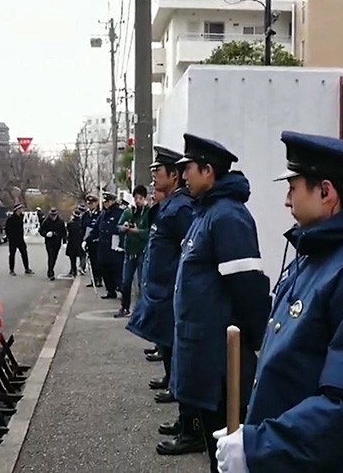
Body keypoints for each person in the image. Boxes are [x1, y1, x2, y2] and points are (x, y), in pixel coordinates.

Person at [211, 131, 343, 473]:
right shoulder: (321, 250)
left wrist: (259, 447)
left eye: (293, 187)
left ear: (326, 192)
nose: (287, 201)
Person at [171, 133, 271, 473]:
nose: (183, 176)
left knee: (229, 448)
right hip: (203, 354)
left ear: (208, 171)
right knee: (216, 450)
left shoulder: (228, 217)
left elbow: (248, 288)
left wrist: (253, 343)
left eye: (189, 169)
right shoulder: (206, 213)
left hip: (221, 362)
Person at [126, 146, 200, 456]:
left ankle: (191, 428)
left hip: (173, 294)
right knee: (172, 355)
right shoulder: (169, 205)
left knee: (183, 361)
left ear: (175, 175)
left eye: (159, 171)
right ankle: (184, 420)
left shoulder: (181, 207)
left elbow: (189, 253)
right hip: (162, 293)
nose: (154, 176)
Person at [115, 185, 151, 318]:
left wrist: (137, 231)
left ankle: (141, 309)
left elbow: (150, 233)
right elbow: (118, 226)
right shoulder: (129, 212)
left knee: (142, 282)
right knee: (126, 281)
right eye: (135, 198)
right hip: (129, 251)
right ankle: (124, 307)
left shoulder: (149, 212)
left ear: (144, 198)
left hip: (142, 251)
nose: (137, 201)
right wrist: (123, 227)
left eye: (140, 198)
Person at [96, 192, 125, 300]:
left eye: (107, 202)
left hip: (115, 247)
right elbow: (96, 228)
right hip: (104, 247)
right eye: (105, 202)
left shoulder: (119, 213)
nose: (106, 204)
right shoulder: (103, 214)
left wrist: (121, 243)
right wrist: (87, 239)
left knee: (117, 271)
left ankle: (123, 291)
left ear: (113, 201)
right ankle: (110, 291)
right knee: (105, 270)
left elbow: (122, 229)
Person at [39, 207, 67, 280]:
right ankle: (51, 272)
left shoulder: (60, 222)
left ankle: (51, 269)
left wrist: (64, 241)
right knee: (51, 256)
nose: (53, 217)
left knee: (54, 257)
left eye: (54, 215)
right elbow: (41, 231)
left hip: (57, 242)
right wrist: (46, 234)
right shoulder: (46, 221)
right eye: (52, 215)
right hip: (49, 242)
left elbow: (64, 232)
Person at [81, 194, 102, 288]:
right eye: (89, 203)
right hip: (88, 240)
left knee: (97, 261)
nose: (90, 205)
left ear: (96, 204)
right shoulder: (86, 215)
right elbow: (82, 227)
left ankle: (98, 279)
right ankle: (93, 279)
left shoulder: (99, 214)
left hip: (97, 241)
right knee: (91, 261)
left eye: (92, 203)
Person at [6, 204, 33, 275]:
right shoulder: (11, 219)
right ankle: (11, 270)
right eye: (20, 209)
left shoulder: (20, 218)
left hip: (20, 239)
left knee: (24, 253)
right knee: (12, 254)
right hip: (13, 239)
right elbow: (7, 230)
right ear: (16, 210)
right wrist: (10, 238)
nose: (22, 210)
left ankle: (27, 268)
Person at [65, 209, 84, 277]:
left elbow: (67, 233)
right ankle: (81, 267)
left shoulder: (70, 224)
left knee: (72, 259)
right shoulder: (81, 224)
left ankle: (73, 271)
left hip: (71, 243)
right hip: (80, 242)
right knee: (82, 256)